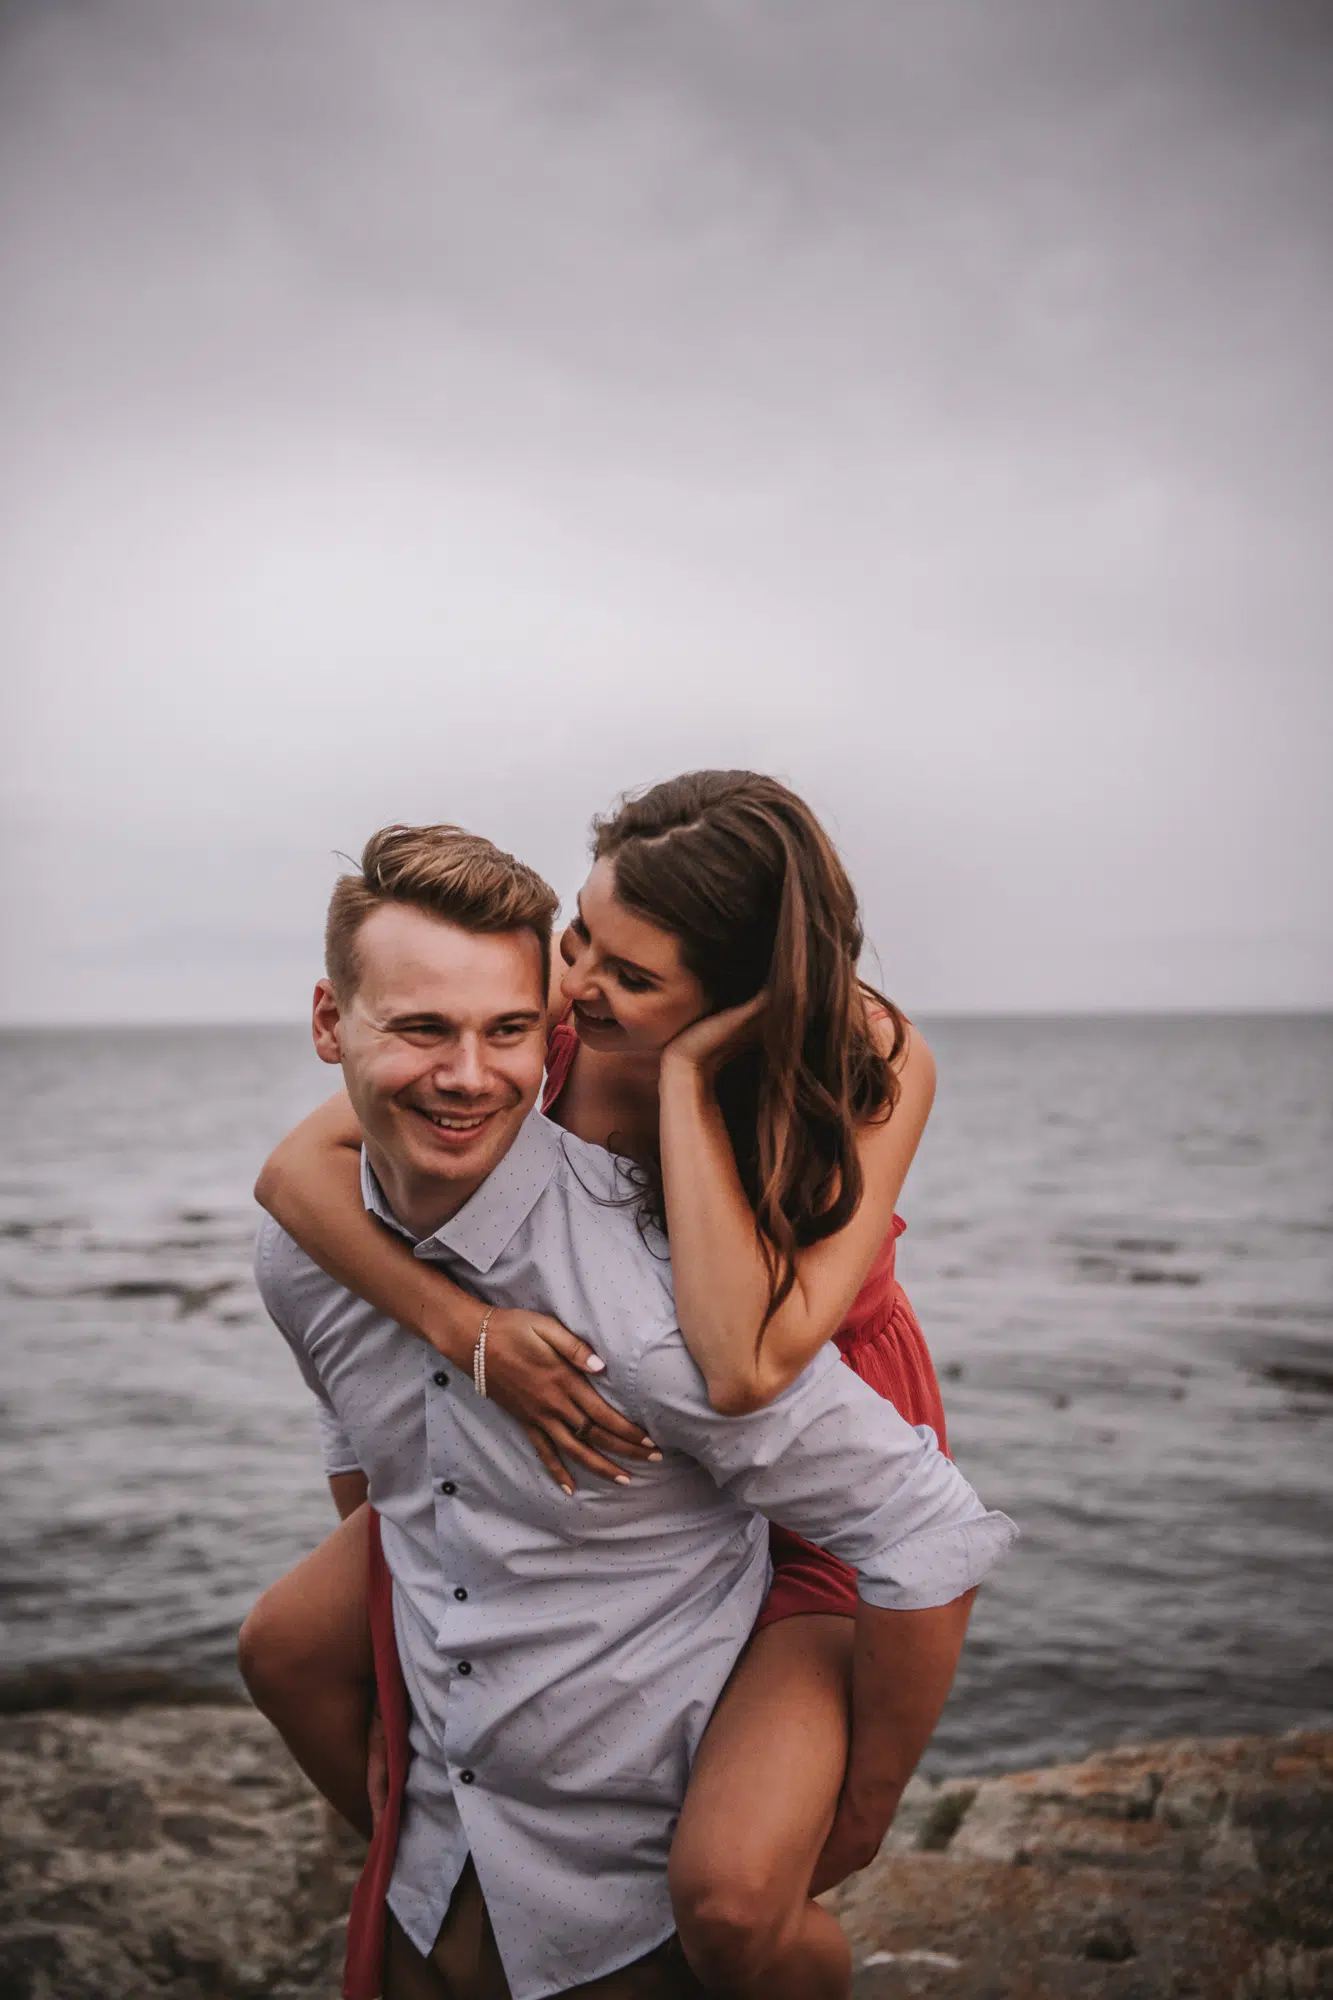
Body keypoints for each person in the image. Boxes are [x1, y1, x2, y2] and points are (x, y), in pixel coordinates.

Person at [247, 816, 1014, 2000]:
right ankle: (464, 1868)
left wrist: (696, 1080)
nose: (573, 985)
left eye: (628, 972)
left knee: (733, 1891)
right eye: (576, 939)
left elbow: (746, 1365)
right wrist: (470, 1333)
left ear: (730, 1000)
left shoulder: (864, 1060)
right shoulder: (552, 1020)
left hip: (803, 1384)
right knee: (289, 1644)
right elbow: (298, 1177)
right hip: (667, 1381)